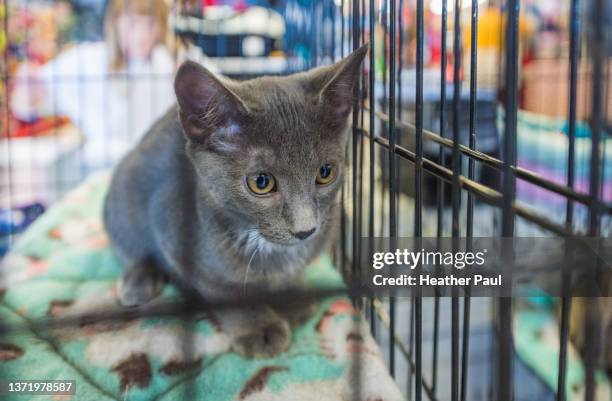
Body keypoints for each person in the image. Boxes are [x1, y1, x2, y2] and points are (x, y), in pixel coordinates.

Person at [11, 0, 180, 168]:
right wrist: (27, 87)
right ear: (115, 22)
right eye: (132, 23)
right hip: (101, 168)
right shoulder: (86, 60)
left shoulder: (171, 64)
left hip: (156, 167)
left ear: (162, 25)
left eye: (150, 24)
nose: (142, 34)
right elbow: (24, 108)